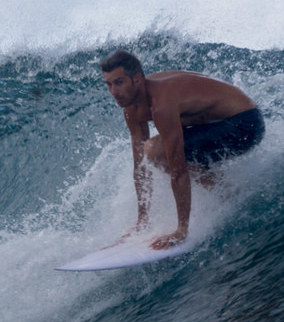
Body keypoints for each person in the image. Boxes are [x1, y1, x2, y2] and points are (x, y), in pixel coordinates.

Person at [100, 49, 264, 250]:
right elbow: (140, 166)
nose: (114, 92)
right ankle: (229, 192)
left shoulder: (161, 104)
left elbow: (177, 169)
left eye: (119, 82)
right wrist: (142, 222)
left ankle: (226, 193)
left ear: (136, 79)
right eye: (108, 84)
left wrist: (181, 231)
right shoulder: (131, 108)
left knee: (155, 151)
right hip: (219, 122)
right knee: (149, 154)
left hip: (245, 125)